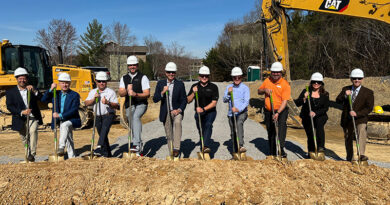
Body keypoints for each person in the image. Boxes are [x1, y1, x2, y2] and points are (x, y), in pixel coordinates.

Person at [336, 68, 374, 162]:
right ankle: (350, 158)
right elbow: (338, 100)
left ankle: (361, 155)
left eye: (359, 78)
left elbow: (369, 108)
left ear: (362, 79)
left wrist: (357, 113)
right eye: (354, 78)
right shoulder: (346, 89)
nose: (357, 80)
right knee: (348, 137)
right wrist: (345, 95)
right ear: (351, 79)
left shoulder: (368, 92)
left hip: (361, 118)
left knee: (361, 131)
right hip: (347, 119)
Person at [6, 67, 43, 162]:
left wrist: (34, 91)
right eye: (20, 78)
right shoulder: (10, 92)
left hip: (32, 117)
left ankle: (32, 154)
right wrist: (22, 112)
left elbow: (42, 98)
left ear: (27, 79)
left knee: (33, 131)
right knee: (24, 138)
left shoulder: (31, 89)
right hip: (20, 118)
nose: (22, 80)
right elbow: (10, 106)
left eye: (24, 78)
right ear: (17, 79)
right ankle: (28, 154)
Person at [41, 73, 81, 159]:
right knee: (68, 137)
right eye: (62, 83)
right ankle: (72, 156)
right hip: (60, 119)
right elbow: (43, 100)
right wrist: (51, 89)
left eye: (67, 83)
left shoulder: (74, 95)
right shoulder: (56, 93)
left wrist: (60, 115)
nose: (65, 85)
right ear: (59, 83)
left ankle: (61, 147)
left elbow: (74, 110)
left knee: (64, 125)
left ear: (70, 83)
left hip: (72, 119)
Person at [153, 62, 187, 157]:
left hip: (177, 111)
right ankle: (172, 152)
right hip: (166, 112)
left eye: (173, 72)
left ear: (175, 73)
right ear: (165, 73)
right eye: (169, 72)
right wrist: (162, 92)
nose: (171, 74)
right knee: (169, 134)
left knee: (177, 123)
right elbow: (155, 99)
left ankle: (176, 148)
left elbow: (184, 100)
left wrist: (179, 110)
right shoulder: (160, 84)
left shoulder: (180, 84)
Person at [118, 55, 150, 156]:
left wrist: (135, 94)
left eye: (134, 65)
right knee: (131, 121)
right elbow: (121, 93)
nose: (132, 67)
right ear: (128, 66)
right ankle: (137, 143)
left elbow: (147, 94)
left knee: (136, 117)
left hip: (141, 103)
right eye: (130, 65)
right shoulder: (124, 78)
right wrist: (127, 90)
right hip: (129, 104)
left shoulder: (143, 77)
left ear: (137, 65)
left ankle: (136, 144)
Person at [258, 62, 291, 158]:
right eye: (274, 72)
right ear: (271, 72)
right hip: (268, 110)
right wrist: (265, 90)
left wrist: (277, 113)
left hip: (281, 110)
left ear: (281, 73)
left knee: (280, 129)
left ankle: (281, 150)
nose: (275, 74)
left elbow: (285, 101)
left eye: (277, 72)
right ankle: (272, 152)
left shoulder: (285, 84)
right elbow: (259, 91)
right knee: (271, 131)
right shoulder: (267, 81)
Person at [295, 72, 329, 157]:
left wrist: (315, 113)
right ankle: (311, 151)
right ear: (311, 82)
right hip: (307, 116)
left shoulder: (325, 94)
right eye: (314, 82)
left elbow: (325, 108)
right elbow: (297, 103)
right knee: (310, 133)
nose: (316, 84)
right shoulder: (306, 91)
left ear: (321, 83)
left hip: (320, 115)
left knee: (319, 126)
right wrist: (304, 98)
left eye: (318, 82)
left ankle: (320, 147)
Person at [84, 72, 119, 157]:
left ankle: (99, 146)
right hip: (97, 116)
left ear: (106, 82)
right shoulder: (93, 92)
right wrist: (93, 99)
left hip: (108, 114)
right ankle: (107, 155)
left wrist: (108, 102)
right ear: (96, 81)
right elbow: (86, 103)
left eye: (103, 81)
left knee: (104, 130)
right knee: (103, 135)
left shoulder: (111, 92)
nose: (101, 83)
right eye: (99, 81)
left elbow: (117, 106)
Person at [187, 66, 219, 153]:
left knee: (208, 124)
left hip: (210, 112)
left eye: (206, 76)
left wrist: (203, 109)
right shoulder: (194, 86)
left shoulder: (213, 87)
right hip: (198, 113)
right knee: (201, 129)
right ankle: (203, 144)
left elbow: (214, 103)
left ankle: (205, 146)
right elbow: (188, 100)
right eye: (202, 76)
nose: (204, 78)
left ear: (208, 76)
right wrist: (193, 93)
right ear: (199, 76)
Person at [223, 67, 249, 154]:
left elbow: (246, 102)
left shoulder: (245, 88)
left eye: (239, 77)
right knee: (233, 131)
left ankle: (241, 145)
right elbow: (224, 100)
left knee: (239, 123)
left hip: (242, 112)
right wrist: (228, 94)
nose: (237, 79)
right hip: (231, 114)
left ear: (241, 77)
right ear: (232, 78)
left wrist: (239, 109)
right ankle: (235, 150)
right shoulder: (229, 87)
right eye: (235, 77)